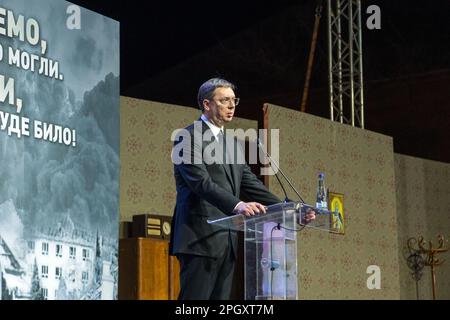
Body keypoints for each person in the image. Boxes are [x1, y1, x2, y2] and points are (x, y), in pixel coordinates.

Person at [169, 78, 314, 300]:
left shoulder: (232, 143)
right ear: (207, 104)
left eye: (233, 100)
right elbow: (200, 182)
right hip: (199, 238)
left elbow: (251, 184)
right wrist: (237, 204)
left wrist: (291, 209)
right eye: (224, 100)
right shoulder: (187, 137)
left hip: (228, 240)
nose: (231, 105)